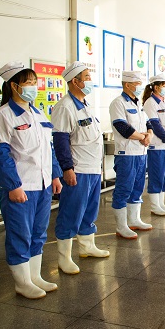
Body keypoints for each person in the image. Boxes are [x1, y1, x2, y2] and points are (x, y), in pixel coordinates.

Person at [0, 62, 63, 299]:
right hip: (21, 186)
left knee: (38, 233)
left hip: (42, 185)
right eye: (29, 83)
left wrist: (55, 175)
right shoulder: (3, 116)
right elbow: (1, 155)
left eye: (34, 82)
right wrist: (13, 185)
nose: (33, 87)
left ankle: (35, 276)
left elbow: (48, 148)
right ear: (14, 86)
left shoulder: (37, 113)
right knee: (20, 233)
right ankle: (22, 283)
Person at [52, 62, 109, 275]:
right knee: (71, 211)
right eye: (87, 77)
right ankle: (64, 258)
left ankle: (87, 246)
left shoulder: (85, 105)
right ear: (75, 82)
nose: (90, 80)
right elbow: (60, 140)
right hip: (78, 169)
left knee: (90, 210)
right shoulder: (65, 107)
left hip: (92, 168)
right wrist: (67, 168)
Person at [109, 71, 154, 240]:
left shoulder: (138, 104)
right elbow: (122, 127)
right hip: (126, 154)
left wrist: (149, 135)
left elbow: (148, 123)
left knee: (137, 187)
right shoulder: (118, 103)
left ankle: (134, 220)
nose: (140, 87)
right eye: (137, 84)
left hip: (141, 153)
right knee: (124, 188)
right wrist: (143, 137)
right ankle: (121, 226)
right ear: (127, 85)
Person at [142, 75, 165, 215]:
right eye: (163, 86)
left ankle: (161, 203)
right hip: (157, 146)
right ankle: (154, 205)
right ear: (156, 87)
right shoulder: (150, 103)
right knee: (157, 176)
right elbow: (155, 125)